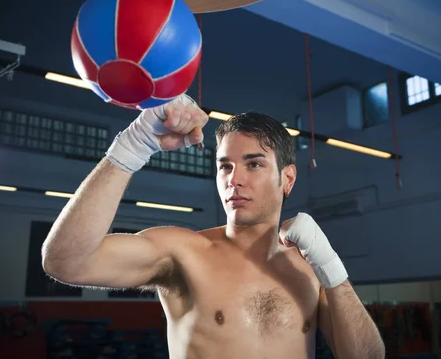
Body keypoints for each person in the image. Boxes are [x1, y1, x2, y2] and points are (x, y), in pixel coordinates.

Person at [42, 94, 385, 359]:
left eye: (253, 164)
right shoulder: (185, 253)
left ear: (288, 179)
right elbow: (65, 261)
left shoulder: (311, 269)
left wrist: (329, 265)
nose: (234, 179)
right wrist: (132, 146)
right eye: (225, 166)